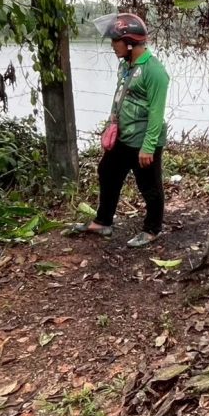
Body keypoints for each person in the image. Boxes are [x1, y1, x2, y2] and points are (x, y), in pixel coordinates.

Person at [70, 13, 169, 248]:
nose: (113, 46)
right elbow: (119, 97)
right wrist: (111, 124)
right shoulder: (126, 65)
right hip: (123, 136)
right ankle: (103, 221)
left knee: (149, 186)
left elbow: (156, 112)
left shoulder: (154, 71)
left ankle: (152, 229)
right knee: (107, 171)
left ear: (130, 42)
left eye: (116, 41)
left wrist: (148, 146)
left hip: (143, 140)